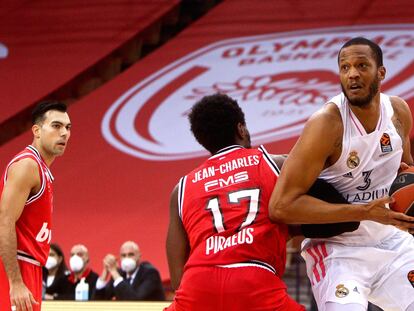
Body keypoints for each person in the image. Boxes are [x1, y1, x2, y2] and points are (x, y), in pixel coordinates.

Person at [270, 37, 414, 311]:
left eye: (361, 65)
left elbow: (405, 175)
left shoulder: (398, 111)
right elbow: (281, 206)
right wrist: (364, 212)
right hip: (338, 250)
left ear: (381, 72)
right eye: (345, 67)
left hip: (390, 240)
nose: (353, 74)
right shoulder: (326, 124)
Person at [165, 93, 305, 311]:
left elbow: (176, 279)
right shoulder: (274, 164)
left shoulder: (181, 188)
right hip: (254, 279)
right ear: (241, 129)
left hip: (197, 284)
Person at [0, 101, 71, 311]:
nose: (64, 133)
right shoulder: (27, 165)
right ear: (37, 131)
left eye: (67, 128)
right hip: (16, 266)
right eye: (56, 126)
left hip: (30, 266)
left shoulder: (41, 168)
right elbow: (4, 221)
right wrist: (15, 282)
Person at [94, 241, 165, 301]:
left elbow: (135, 301)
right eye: (123, 255)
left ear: (139, 256)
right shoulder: (119, 274)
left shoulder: (150, 273)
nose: (127, 258)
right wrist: (105, 273)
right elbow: (99, 300)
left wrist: (114, 272)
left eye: (131, 255)